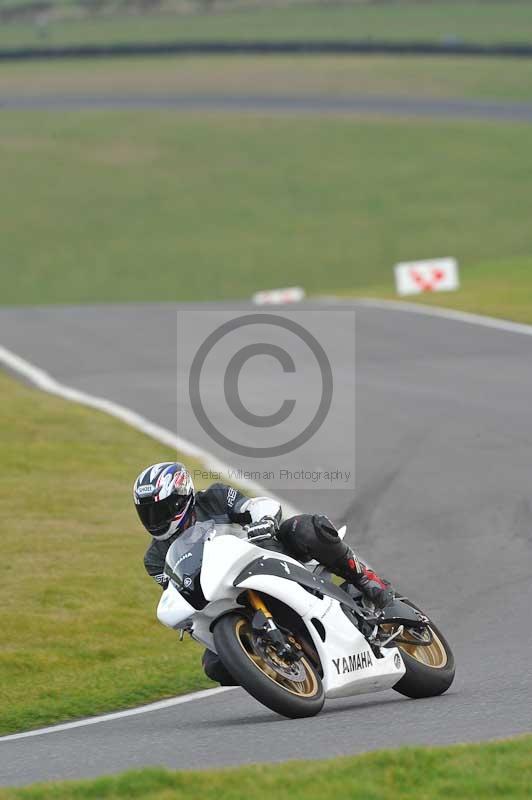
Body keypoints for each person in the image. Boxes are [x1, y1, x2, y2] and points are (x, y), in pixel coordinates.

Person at [134, 461, 394, 685]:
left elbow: (257, 506)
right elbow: (179, 590)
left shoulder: (214, 497)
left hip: (267, 555)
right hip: (228, 595)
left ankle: (366, 579)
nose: (154, 519)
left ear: (182, 497)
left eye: (161, 510)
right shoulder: (155, 558)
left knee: (304, 527)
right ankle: (284, 670)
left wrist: (264, 521)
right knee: (215, 665)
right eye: (147, 513)